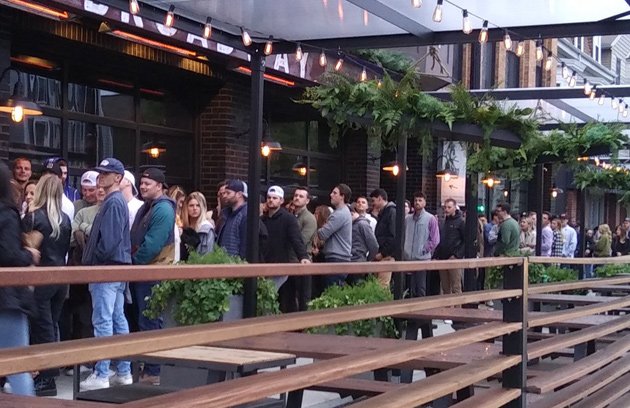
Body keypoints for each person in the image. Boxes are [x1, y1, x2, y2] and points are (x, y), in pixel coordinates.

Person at [80, 158, 132, 391]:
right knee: (117, 319)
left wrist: (95, 261)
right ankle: (123, 371)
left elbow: (109, 242)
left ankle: (102, 373)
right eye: (100, 172)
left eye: (106, 173)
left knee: (103, 320)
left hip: (107, 269)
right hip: (116, 268)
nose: (101, 176)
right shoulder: (116, 200)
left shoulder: (113, 202)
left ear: (118, 178)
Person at [22, 174, 71, 396]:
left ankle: (46, 378)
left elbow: (29, 248)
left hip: (40, 278)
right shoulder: (65, 219)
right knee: (51, 325)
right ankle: (48, 373)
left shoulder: (36, 217)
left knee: (42, 327)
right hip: (61, 277)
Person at [130, 168, 177, 385]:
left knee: (150, 320)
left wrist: (134, 262)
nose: (143, 186)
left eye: (148, 183)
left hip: (152, 271)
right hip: (146, 270)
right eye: (141, 183)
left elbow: (153, 244)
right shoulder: (151, 207)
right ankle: (150, 367)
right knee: (146, 319)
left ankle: (154, 370)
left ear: (160, 185)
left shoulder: (163, 209)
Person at [0, 161, 40, 397]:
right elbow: (8, 253)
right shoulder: (7, 213)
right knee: (18, 363)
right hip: (7, 297)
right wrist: (30, 254)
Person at [261, 186, 310, 296]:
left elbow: (296, 239)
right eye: (269, 197)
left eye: (275, 198)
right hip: (264, 264)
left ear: (281, 200)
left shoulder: (288, 219)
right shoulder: (262, 219)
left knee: (270, 295)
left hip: (280, 265)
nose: (271, 200)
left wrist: (303, 257)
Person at [403, 191, 440, 297]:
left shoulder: (430, 218)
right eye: (415, 200)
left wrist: (424, 250)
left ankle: (421, 311)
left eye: (420, 200)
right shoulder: (407, 219)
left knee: (420, 287)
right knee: (409, 288)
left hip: (422, 259)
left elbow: (435, 239)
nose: (417, 202)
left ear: (425, 202)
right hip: (408, 258)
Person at [316, 184, 352, 287]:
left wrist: (318, 225)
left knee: (331, 291)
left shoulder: (340, 214)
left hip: (337, 258)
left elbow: (323, 234)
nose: (331, 195)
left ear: (342, 196)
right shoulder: (342, 212)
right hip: (339, 257)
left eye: (335, 193)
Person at [434, 198, 465, 295]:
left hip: (453, 257)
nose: (446, 209)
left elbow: (465, 240)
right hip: (443, 257)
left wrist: (457, 255)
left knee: (456, 287)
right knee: (445, 287)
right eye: (445, 207)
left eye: (449, 207)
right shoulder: (443, 222)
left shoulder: (461, 222)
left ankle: (458, 309)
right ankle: (447, 309)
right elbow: (440, 240)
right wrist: (436, 256)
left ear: (455, 208)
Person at [370, 188, 397, 288]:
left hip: (386, 256)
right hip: (382, 254)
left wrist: (383, 253)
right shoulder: (385, 213)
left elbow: (393, 236)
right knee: (379, 285)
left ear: (380, 199)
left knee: (382, 285)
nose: (372, 204)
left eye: (373, 200)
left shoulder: (391, 212)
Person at [216, 179, 250, 259]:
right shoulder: (226, 213)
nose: (224, 196)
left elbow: (245, 245)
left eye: (228, 193)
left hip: (237, 265)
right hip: (225, 262)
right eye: (224, 193)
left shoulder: (246, 215)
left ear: (239, 194)